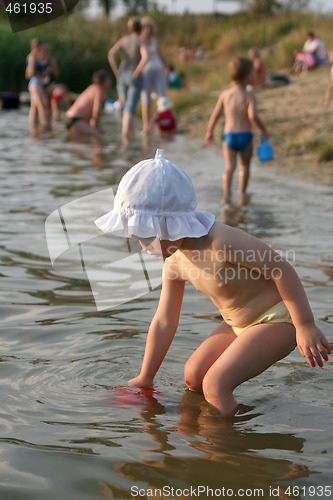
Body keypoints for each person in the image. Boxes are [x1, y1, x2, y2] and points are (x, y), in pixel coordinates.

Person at [94, 149, 330, 417]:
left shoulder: (220, 241)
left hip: (278, 319)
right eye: (137, 237)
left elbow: (281, 268)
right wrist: (145, 377)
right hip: (236, 325)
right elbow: (164, 320)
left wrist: (305, 325)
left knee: (215, 385)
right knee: (194, 377)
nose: (143, 246)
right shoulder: (174, 262)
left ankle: (227, 449)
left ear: (172, 223)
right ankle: (203, 431)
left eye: (147, 236)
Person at [205, 56, 268, 204]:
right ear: (247, 76)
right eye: (253, 72)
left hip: (229, 136)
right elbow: (252, 116)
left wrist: (209, 131)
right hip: (245, 135)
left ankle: (226, 197)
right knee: (244, 167)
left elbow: (216, 114)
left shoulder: (225, 94)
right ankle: (242, 197)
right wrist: (264, 129)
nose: (255, 74)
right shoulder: (249, 97)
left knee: (229, 168)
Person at [108, 17, 143, 145]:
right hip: (134, 76)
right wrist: (137, 71)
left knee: (125, 104)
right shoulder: (140, 41)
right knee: (130, 109)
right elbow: (145, 57)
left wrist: (116, 71)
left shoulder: (123, 40)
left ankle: (130, 135)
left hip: (122, 74)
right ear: (141, 28)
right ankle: (126, 138)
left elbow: (111, 54)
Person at [132, 16, 167, 135]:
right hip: (145, 71)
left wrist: (166, 68)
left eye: (149, 27)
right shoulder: (139, 40)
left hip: (158, 69)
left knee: (162, 97)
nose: (147, 29)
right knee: (146, 98)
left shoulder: (155, 40)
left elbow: (160, 55)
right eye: (145, 27)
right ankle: (146, 125)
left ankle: (159, 122)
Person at [64, 70, 111, 136]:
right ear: (105, 81)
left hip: (69, 118)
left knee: (82, 139)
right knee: (98, 135)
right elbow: (96, 110)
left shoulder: (92, 87)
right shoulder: (100, 90)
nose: (110, 82)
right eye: (109, 80)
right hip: (75, 120)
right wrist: (96, 126)